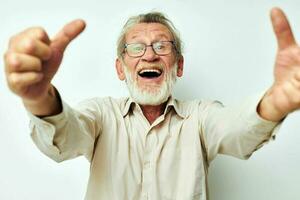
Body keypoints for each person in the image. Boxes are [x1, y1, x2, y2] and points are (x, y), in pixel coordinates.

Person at [3, 7, 300, 200]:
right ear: (121, 68)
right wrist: (38, 96)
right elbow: (65, 137)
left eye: (162, 46)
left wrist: (276, 102)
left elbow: (237, 130)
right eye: (136, 48)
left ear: (179, 65)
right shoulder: (100, 115)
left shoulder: (201, 117)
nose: (149, 56)